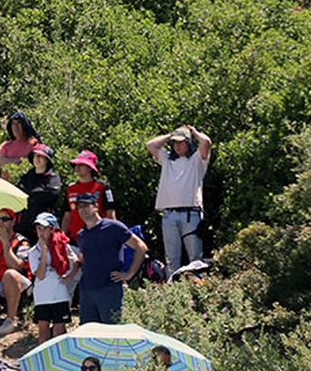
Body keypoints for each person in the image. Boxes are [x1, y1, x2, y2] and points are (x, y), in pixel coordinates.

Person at [146, 125, 213, 274]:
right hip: (169, 214)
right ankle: (173, 292)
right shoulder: (167, 159)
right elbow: (150, 145)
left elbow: (206, 142)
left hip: (191, 214)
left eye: (181, 142)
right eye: (175, 142)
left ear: (188, 143)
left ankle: (197, 290)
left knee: (195, 258)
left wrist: (194, 132)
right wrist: (171, 134)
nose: (177, 145)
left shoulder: (197, 160)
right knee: (171, 258)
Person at [73, 194, 146, 325]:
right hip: (87, 291)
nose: (82, 210)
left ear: (95, 206)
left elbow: (140, 247)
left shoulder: (113, 227)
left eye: (85, 205)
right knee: (88, 334)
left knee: (112, 333)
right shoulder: (81, 234)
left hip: (109, 289)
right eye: (79, 206)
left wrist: (129, 274)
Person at [27, 213, 78, 341]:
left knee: (58, 331)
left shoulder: (63, 246)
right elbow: (40, 275)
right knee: (43, 332)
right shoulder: (33, 252)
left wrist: (69, 277)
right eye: (39, 228)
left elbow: (76, 262)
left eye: (44, 228)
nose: (41, 232)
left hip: (60, 295)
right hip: (42, 296)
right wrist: (44, 253)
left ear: (51, 229)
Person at [63, 150, 115, 241]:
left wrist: (112, 237)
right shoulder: (70, 189)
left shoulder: (102, 187)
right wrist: (62, 238)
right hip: (74, 239)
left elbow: (111, 215)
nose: (77, 168)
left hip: (98, 237)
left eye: (81, 165)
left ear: (90, 168)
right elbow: (67, 216)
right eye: (76, 165)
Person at [16, 145, 62, 231]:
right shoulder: (25, 177)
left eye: (41, 156)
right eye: (35, 156)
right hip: (25, 223)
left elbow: (51, 195)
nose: (37, 159)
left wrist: (30, 195)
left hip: (44, 224)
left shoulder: (53, 178)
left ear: (47, 160)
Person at [0, 113, 42, 178]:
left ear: (24, 126)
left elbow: (32, 164)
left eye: (18, 123)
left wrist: (7, 161)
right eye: (13, 124)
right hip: (6, 184)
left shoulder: (34, 144)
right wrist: (17, 161)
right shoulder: (6, 145)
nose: (15, 127)